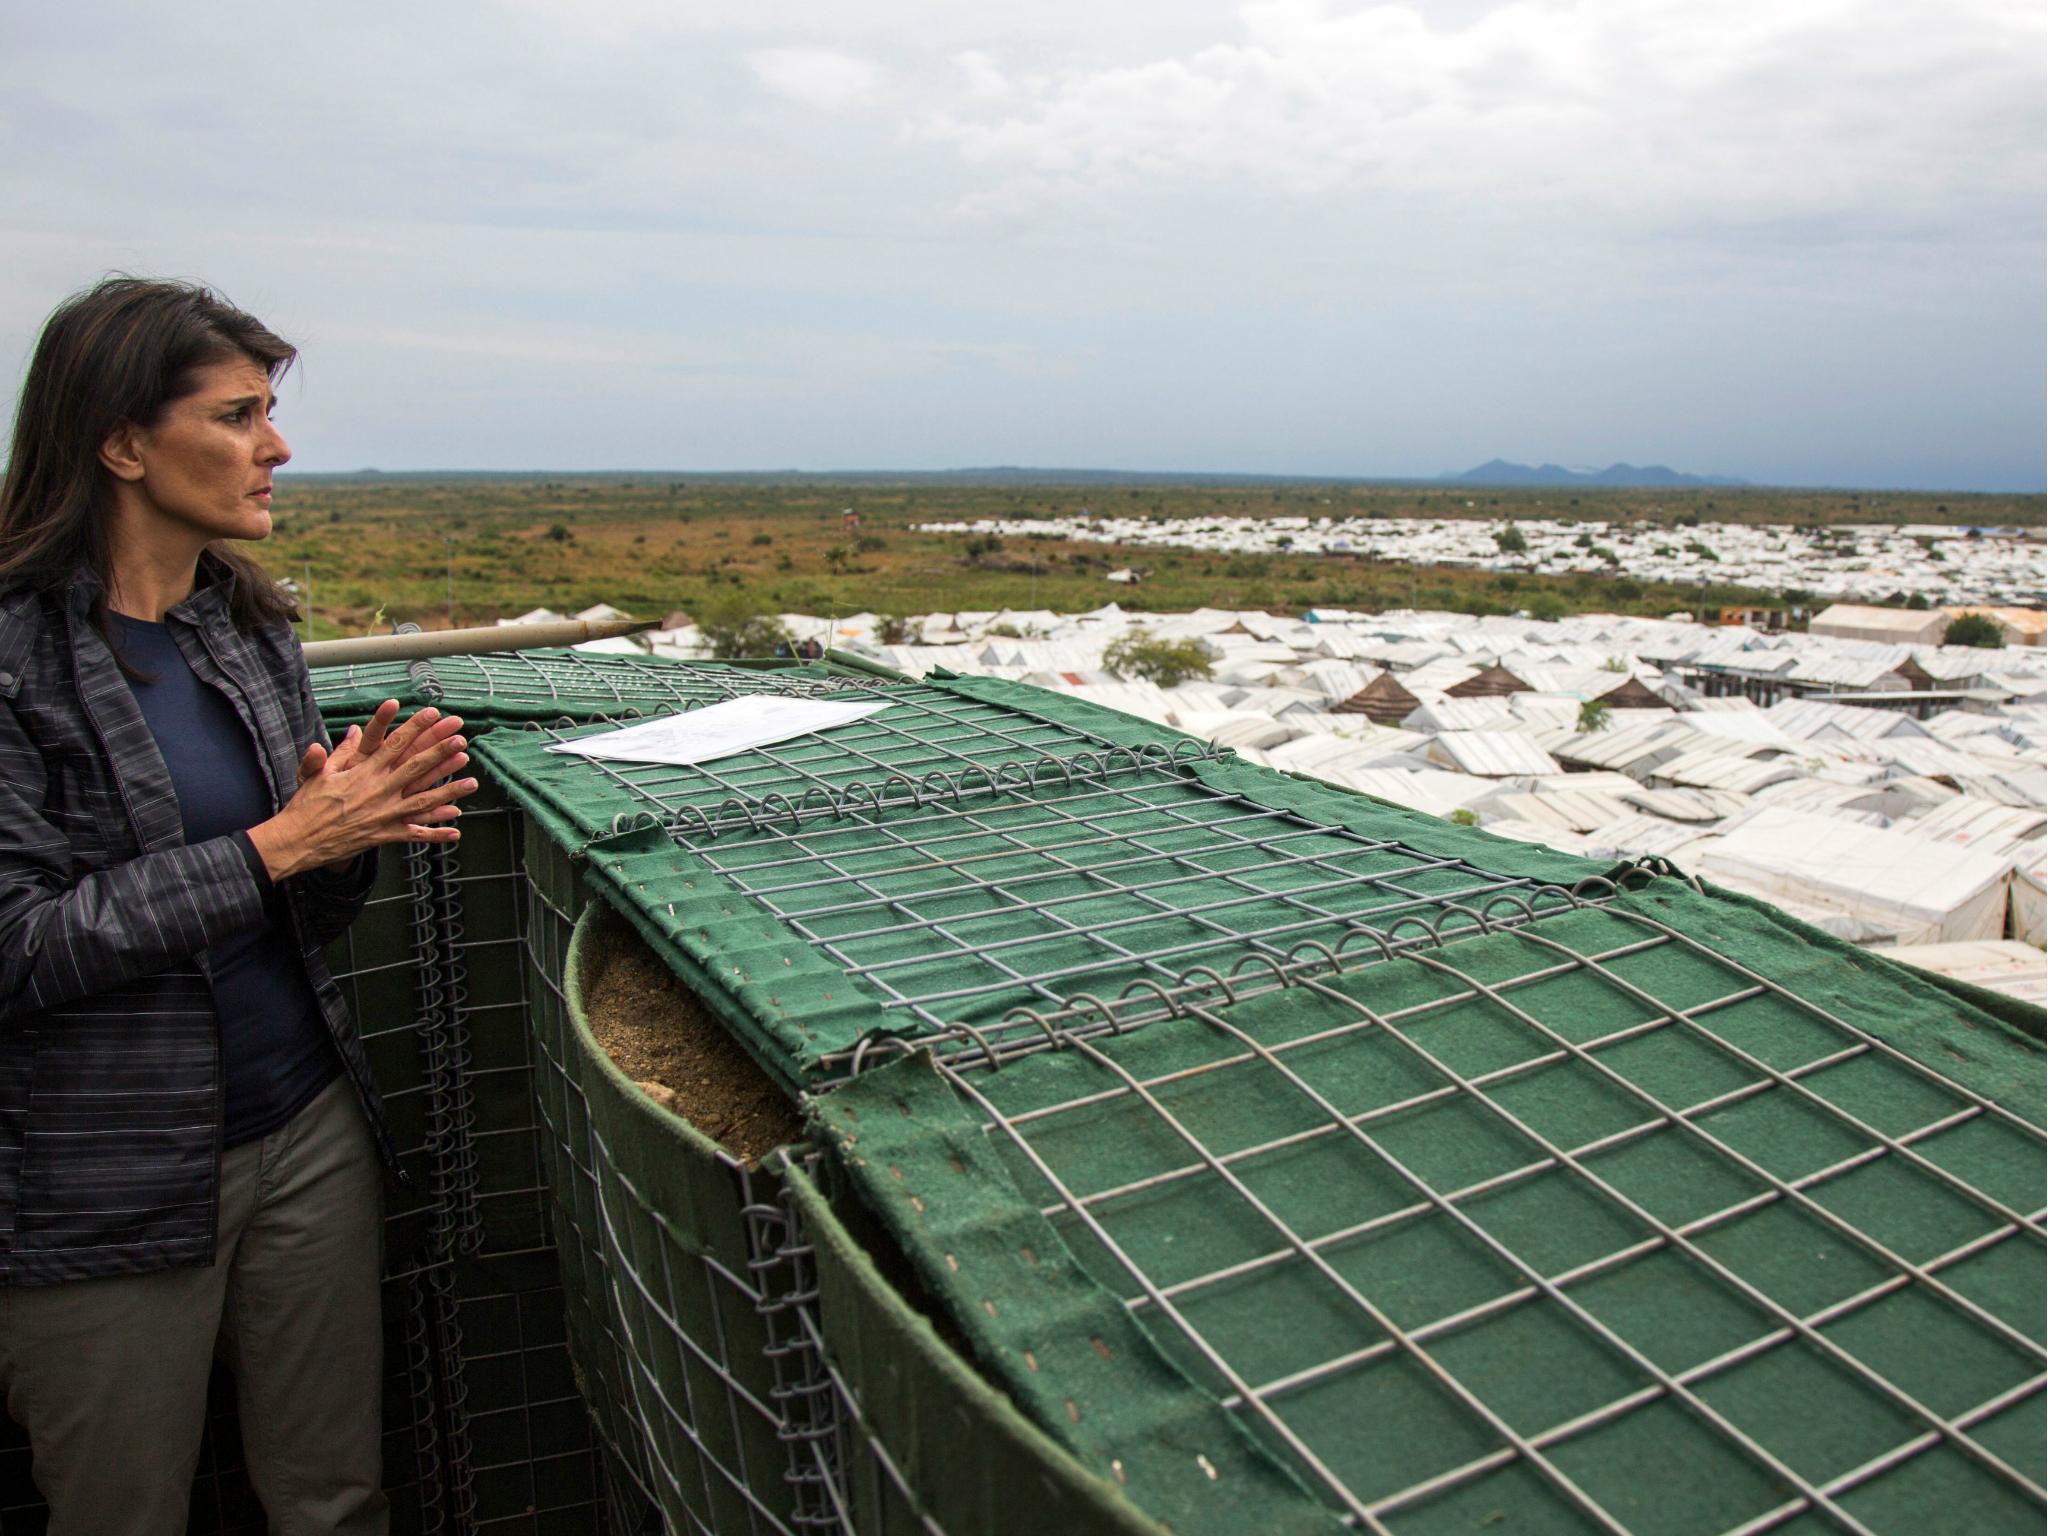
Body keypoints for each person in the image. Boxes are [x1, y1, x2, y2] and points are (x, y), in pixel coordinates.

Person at [0, 277, 477, 1536]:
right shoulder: (13, 659)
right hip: (99, 1180)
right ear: (121, 442)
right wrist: (281, 845)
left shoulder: (244, 624)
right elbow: (17, 945)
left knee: (335, 1499)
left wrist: (355, 831)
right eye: (238, 414)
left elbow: (292, 904)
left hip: (305, 1122)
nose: (276, 447)